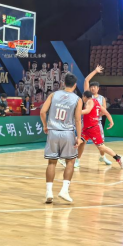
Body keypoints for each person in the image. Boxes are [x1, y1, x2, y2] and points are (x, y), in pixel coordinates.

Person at [41, 73, 83, 204]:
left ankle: (49, 192)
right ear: (75, 85)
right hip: (67, 133)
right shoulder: (77, 99)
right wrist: (79, 137)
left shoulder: (53, 95)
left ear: (63, 83)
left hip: (53, 132)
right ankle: (64, 190)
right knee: (70, 161)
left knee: (51, 162)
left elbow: (42, 112)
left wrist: (45, 125)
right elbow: (78, 120)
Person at [77, 91, 123, 168]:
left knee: (101, 147)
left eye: (83, 97)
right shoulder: (97, 102)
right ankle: (76, 160)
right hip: (87, 129)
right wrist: (111, 121)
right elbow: (106, 112)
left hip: (93, 129)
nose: (82, 99)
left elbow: (87, 111)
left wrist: (76, 112)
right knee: (80, 142)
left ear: (84, 96)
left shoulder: (89, 101)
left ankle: (118, 157)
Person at [84, 66, 115, 166]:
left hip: (97, 123)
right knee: (81, 141)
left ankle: (102, 157)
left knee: (101, 143)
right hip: (87, 122)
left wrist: (96, 114)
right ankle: (76, 159)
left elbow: (104, 110)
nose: (92, 88)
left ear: (98, 88)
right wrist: (95, 71)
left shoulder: (102, 98)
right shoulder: (88, 95)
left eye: (94, 87)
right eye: (91, 86)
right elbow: (86, 80)